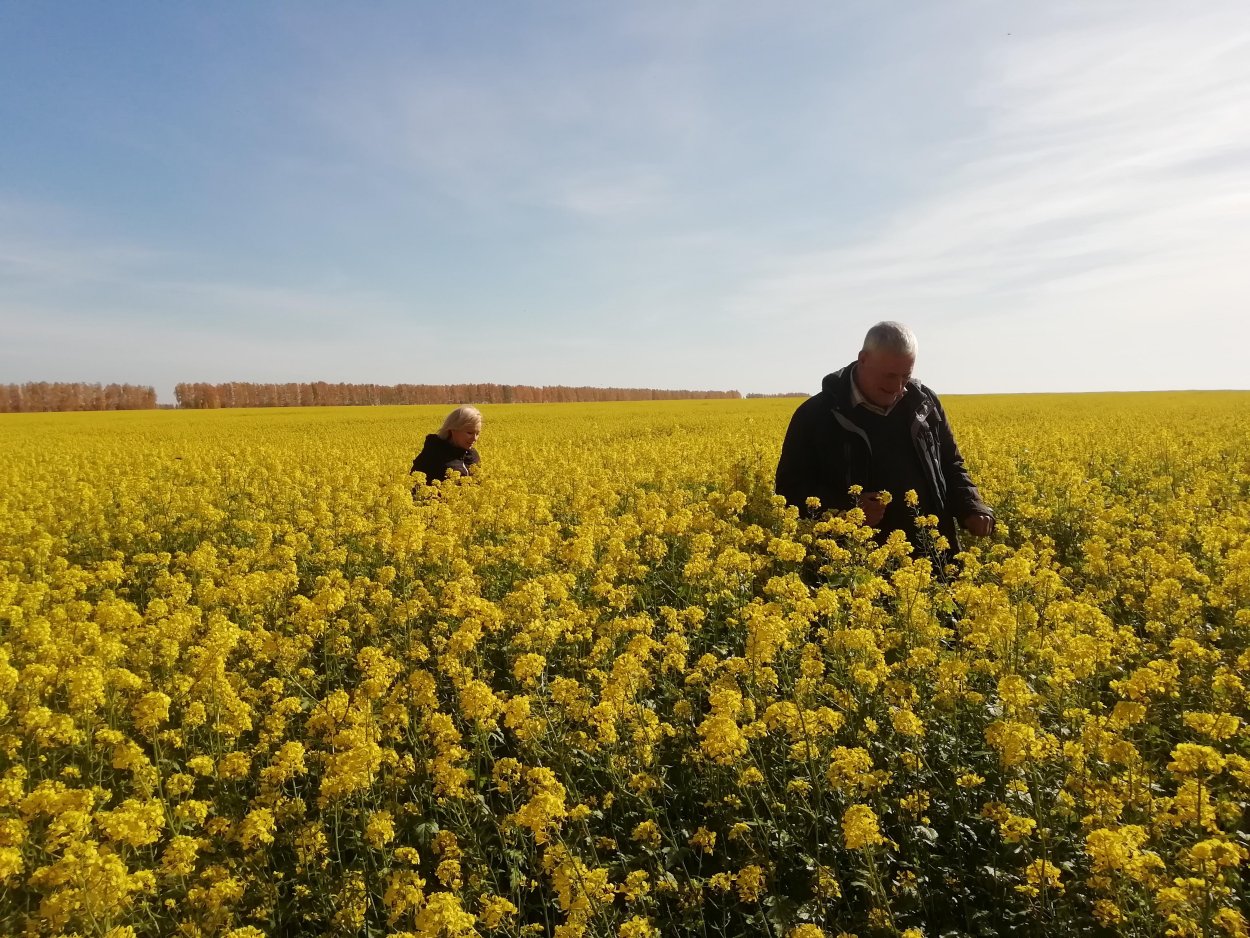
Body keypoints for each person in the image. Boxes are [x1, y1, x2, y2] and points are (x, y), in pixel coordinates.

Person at [775, 321, 993, 554]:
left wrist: (972, 507)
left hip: (932, 557)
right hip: (855, 568)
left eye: (905, 376)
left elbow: (951, 465)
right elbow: (789, 490)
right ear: (863, 359)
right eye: (889, 376)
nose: (898, 387)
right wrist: (848, 510)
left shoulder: (924, 404)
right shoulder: (816, 415)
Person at [411, 405, 482, 484]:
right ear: (453, 429)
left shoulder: (473, 456)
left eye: (477, 433)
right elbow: (415, 486)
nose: (475, 438)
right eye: (469, 433)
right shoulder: (433, 455)